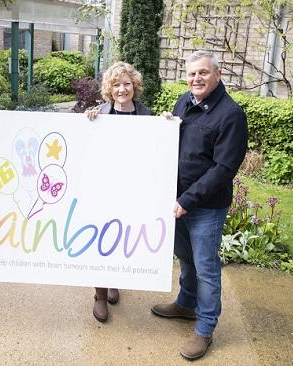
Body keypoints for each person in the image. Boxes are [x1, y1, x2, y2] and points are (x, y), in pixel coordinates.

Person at [151, 50, 248, 360]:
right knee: (187, 258)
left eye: (203, 73)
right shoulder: (185, 101)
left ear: (217, 75)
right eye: (192, 74)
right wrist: (168, 126)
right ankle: (186, 304)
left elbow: (223, 169)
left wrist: (186, 200)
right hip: (177, 200)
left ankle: (205, 329)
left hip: (204, 206)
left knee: (205, 267)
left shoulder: (230, 115)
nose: (196, 79)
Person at [85, 61, 153, 322]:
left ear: (134, 87)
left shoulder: (149, 117)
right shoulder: (98, 116)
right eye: (116, 85)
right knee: (101, 240)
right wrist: (88, 123)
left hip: (133, 190)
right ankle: (100, 295)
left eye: (126, 84)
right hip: (102, 190)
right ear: (109, 90)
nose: (122, 89)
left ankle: (115, 281)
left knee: (122, 238)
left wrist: (167, 125)